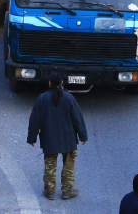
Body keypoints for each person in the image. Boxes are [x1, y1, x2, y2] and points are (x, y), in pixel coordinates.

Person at [27, 71, 88, 200]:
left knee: (50, 166)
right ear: (61, 83)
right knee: (69, 167)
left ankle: (49, 192)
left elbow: (35, 120)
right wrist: (83, 136)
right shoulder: (69, 98)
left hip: (49, 139)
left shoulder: (42, 98)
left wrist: (32, 138)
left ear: (49, 83)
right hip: (69, 139)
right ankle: (67, 191)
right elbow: (77, 119)